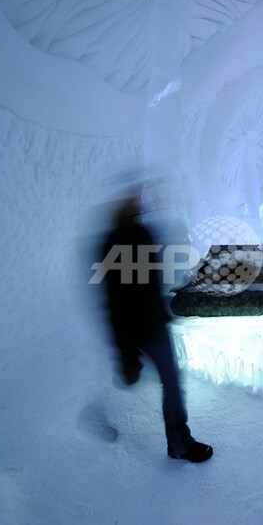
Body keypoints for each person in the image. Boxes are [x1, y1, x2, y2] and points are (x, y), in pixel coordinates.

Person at [100, 189, 212, 463]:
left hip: (152, 324)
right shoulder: (114, 242)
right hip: (138, 328)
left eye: (137, 196)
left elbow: (153, 278)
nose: (136, 200)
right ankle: (177, 442)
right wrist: (124, 348)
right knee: (169, 383)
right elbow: (113, 298)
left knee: (172, 383)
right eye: (130, 197)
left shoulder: (141, 232)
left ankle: (179, 443)